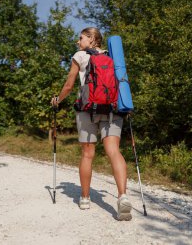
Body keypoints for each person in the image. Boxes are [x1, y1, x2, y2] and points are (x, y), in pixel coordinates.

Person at [51, 27, 132, 221]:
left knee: (88, 153)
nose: (78, 42)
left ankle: (85, 198)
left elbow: (70, 85)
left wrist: (57, 100)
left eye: (81, 38)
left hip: (87, 109)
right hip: (113, 109)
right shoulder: (113, 57)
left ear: (92, 39)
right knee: (114, 151)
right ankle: (122, 196)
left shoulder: (79, 56)